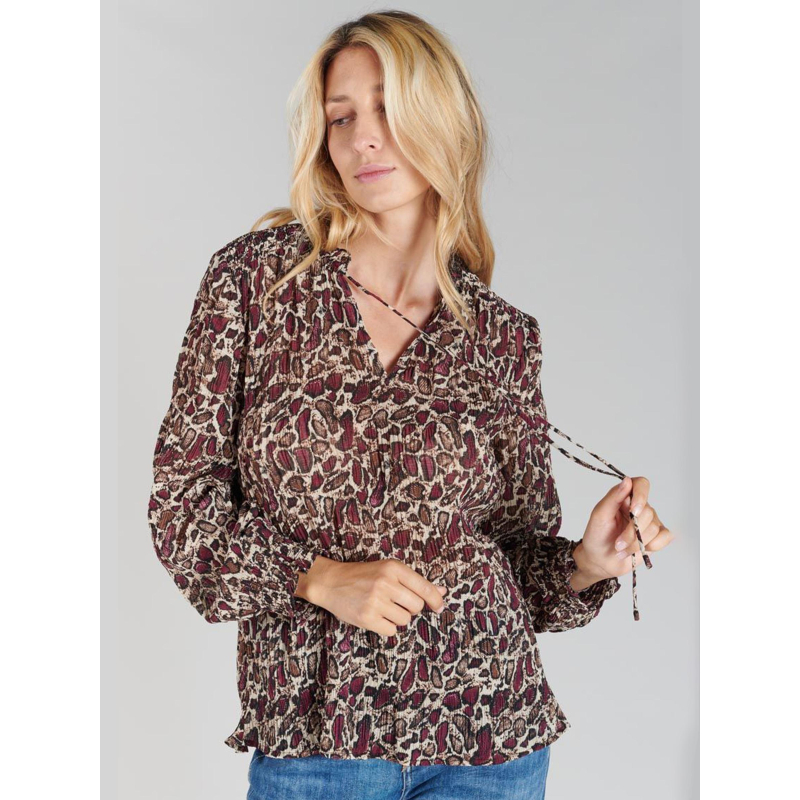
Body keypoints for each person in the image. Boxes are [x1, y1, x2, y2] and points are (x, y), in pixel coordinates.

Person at [147, 9, 673, 800]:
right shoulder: (258, 283)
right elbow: (182, 509)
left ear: (445, 121)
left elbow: (517, 561)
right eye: (342, 117)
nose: (364, 137)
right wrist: (315, 576)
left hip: (491, 738)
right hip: (319, 741)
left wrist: (588, 563)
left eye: (389, 109)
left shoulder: (501, 336)